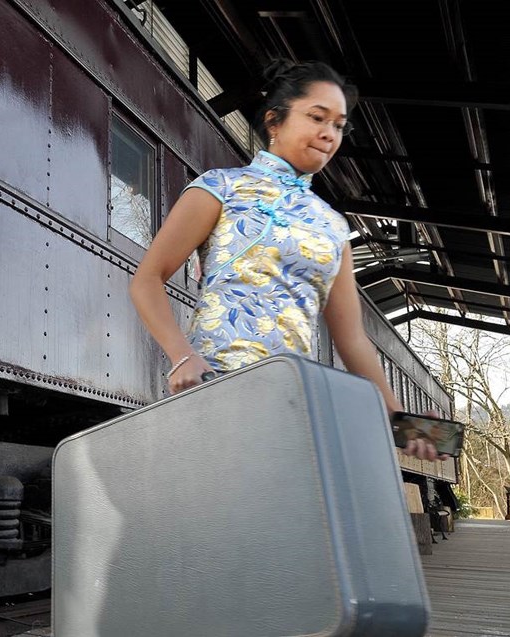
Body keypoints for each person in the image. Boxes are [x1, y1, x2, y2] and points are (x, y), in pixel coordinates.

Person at [129, 59, 442, 461]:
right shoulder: (221, 187)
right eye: (317, 117)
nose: (329, 134)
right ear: (275, 121)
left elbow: (353, 341)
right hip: (212, 388)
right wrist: (181, 356)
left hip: (291, 402)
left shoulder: (333, 227)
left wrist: (402, 420)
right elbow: (147, 279)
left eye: (339, 125)